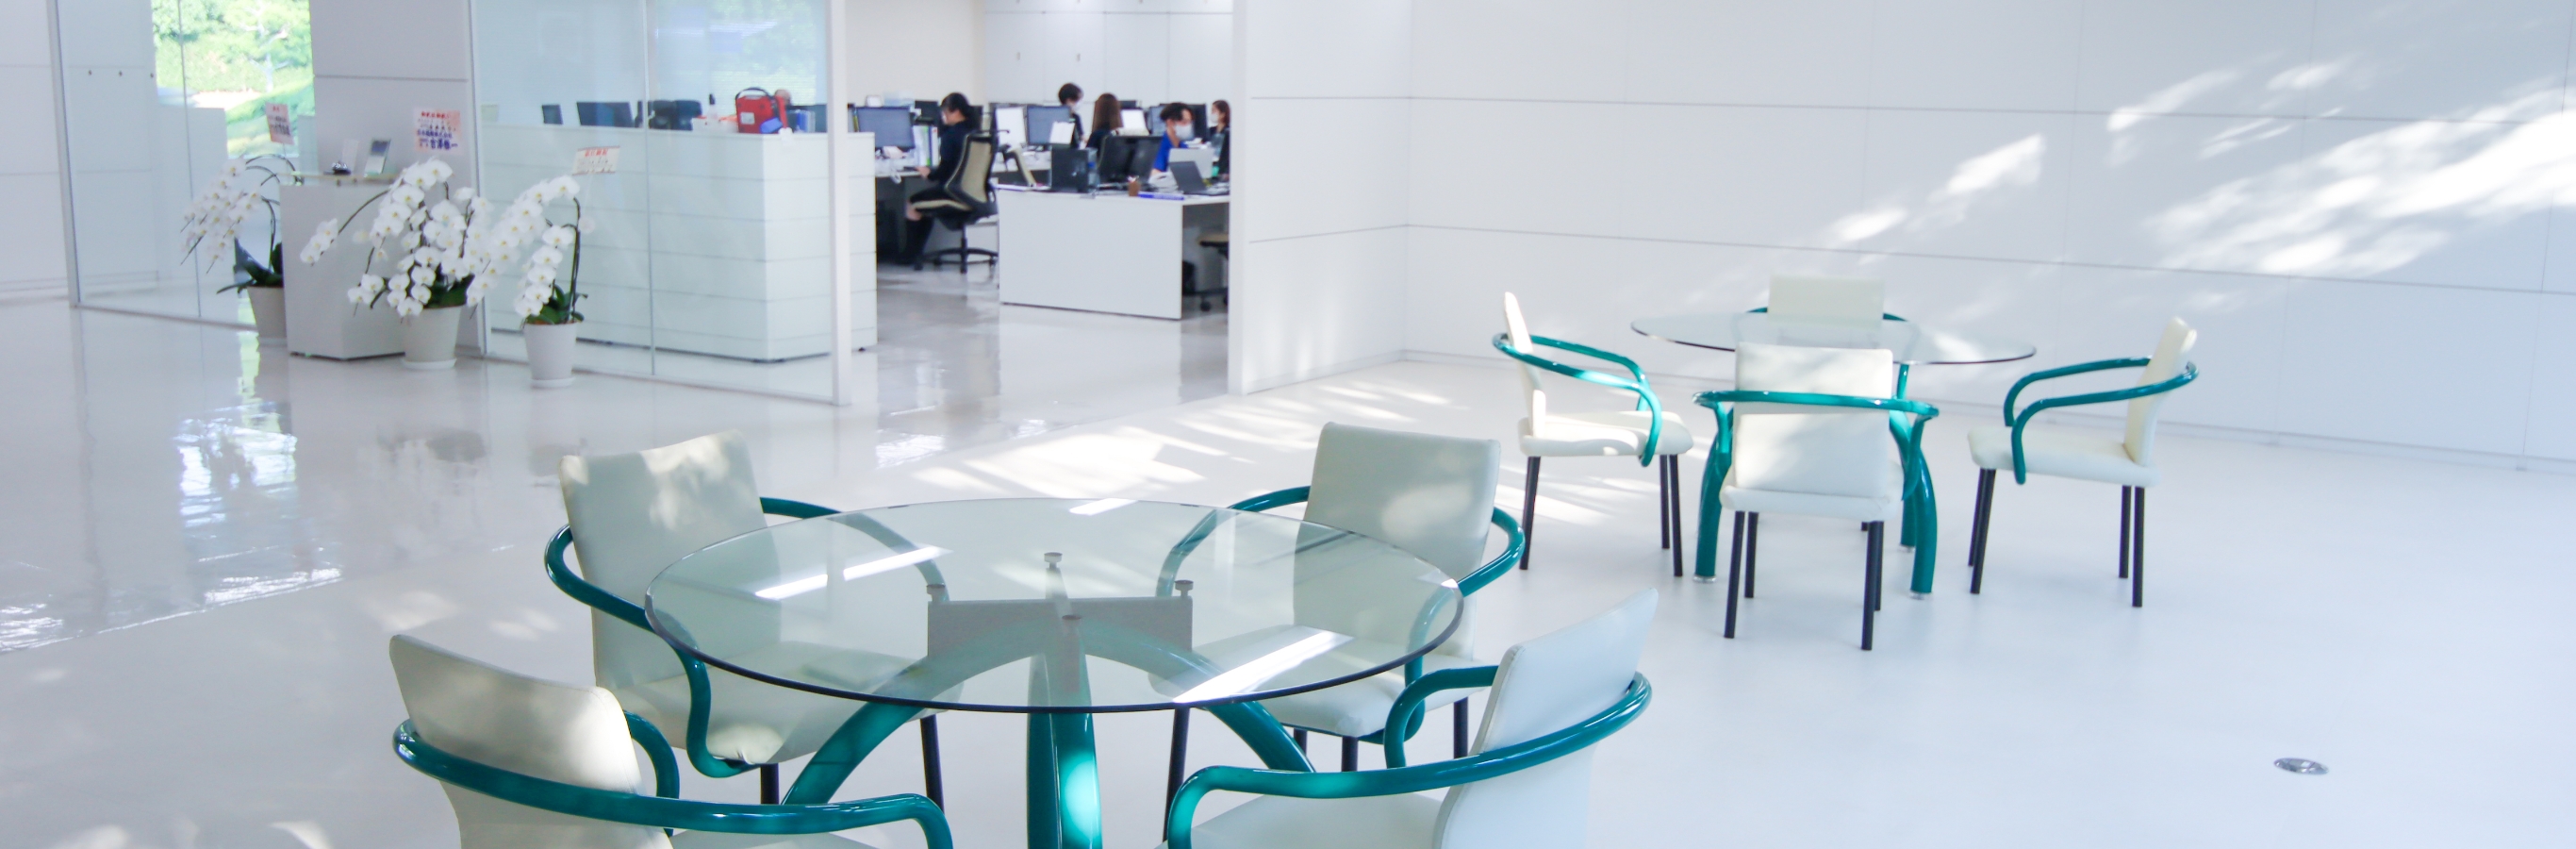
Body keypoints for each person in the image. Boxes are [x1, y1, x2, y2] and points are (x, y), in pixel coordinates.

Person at [898, 92, 978, 268]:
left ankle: (911, 255)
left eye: (945, 112)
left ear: (956, 111)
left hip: (953, 193)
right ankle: (917, 253)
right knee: (926, 202)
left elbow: (945, 171)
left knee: (913, 203)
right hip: (974, 194)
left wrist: (929, 173)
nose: (943, 116)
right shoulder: (975, 133)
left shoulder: (951, 135)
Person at [1151, 103, 1195, 173]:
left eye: (1189, 122)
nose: (1188, 126)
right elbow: (1155, 173)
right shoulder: (1158, 146)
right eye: (1184, 122)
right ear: (1170, 122)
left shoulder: (1184, 147)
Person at [1058, 82, 1086, 147]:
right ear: (1069, 100)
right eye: (1078, 100)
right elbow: (1082, 137)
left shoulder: (1076, 117)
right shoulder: (1074, 117)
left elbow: (1082, 136)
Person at [1209, 99, 1230, 178]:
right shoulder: (1210, 131)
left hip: (1224, 169)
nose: (1212, 114)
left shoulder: (1229, 132)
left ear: (1222, 114)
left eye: (1214, 111)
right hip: (1211, 167)